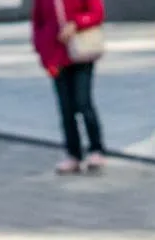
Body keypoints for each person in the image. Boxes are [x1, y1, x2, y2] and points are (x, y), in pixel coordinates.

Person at [31, 0, 107, 175]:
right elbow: (38, 24)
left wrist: (76, 23)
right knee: (66, 108)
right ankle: (73, 154)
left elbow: (97, 13)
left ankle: (96, 149)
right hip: (55, 57)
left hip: (82, 52)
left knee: (83, 102)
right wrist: (43, 53)